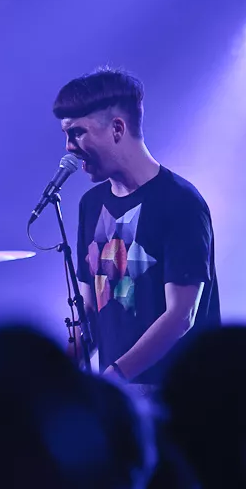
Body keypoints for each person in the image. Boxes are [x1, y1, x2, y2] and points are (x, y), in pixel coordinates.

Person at [53, 67, 220, 388]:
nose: (69, 147)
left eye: (77, 133)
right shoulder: (91, 204)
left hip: (180, 396)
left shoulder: (180, 201)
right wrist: (54, 377)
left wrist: (114, 378)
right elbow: (88, 310)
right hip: (121, 395)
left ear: (117, 128)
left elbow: (181, 316)